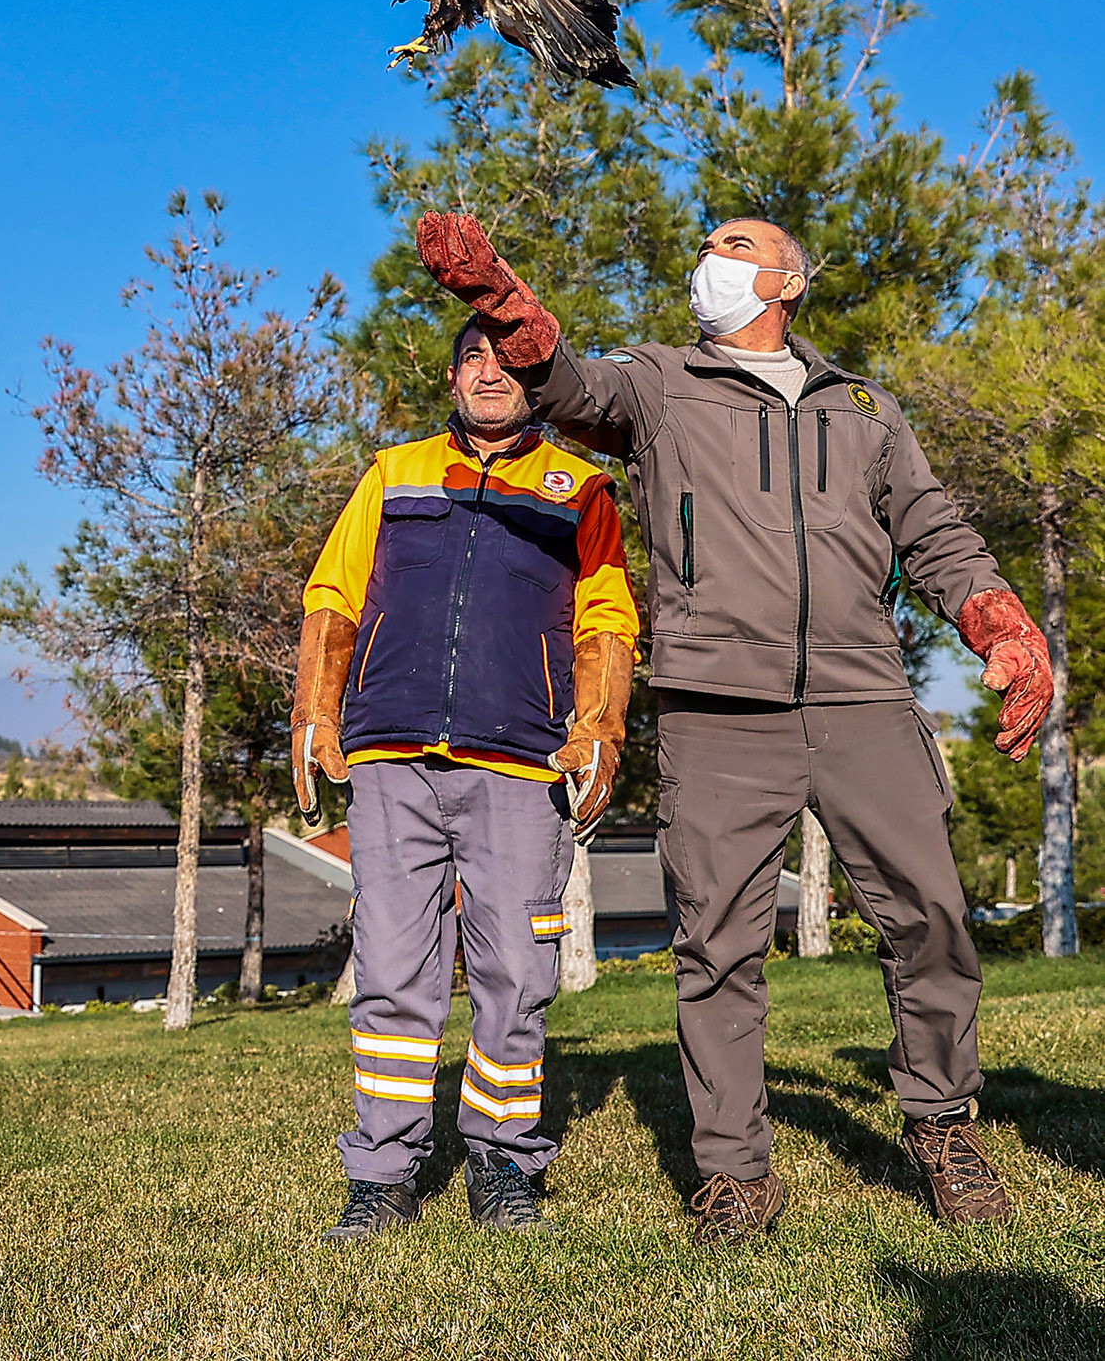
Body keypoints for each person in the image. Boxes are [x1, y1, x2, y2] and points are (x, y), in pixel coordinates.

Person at [418, 211, 1055, 1243]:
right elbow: (568, 390)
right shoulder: (660, 381)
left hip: (861, 698)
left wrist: (997, 623)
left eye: (734, 244)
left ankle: (940, 1125)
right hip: (716, 707)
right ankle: (732, 1172)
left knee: (929, 914)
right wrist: (500, 300)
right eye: (705, 243)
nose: (707, 257)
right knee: (714, 944)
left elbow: (931, 530)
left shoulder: (864, 408)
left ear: (789, 279)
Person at [294, 322, 636, 1241]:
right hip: (390, 754)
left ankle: (500, 1161)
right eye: (474, 359)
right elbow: (333, 594)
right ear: (452, 376)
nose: (491, 373)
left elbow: (608, 618)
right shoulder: (393, 471)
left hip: (522, 760)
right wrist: (316, 708)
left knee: (515, 971)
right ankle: (384, 1174)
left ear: (539, 379)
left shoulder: (578, 490)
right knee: (393, 971)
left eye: (511, 360)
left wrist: (599, 724)